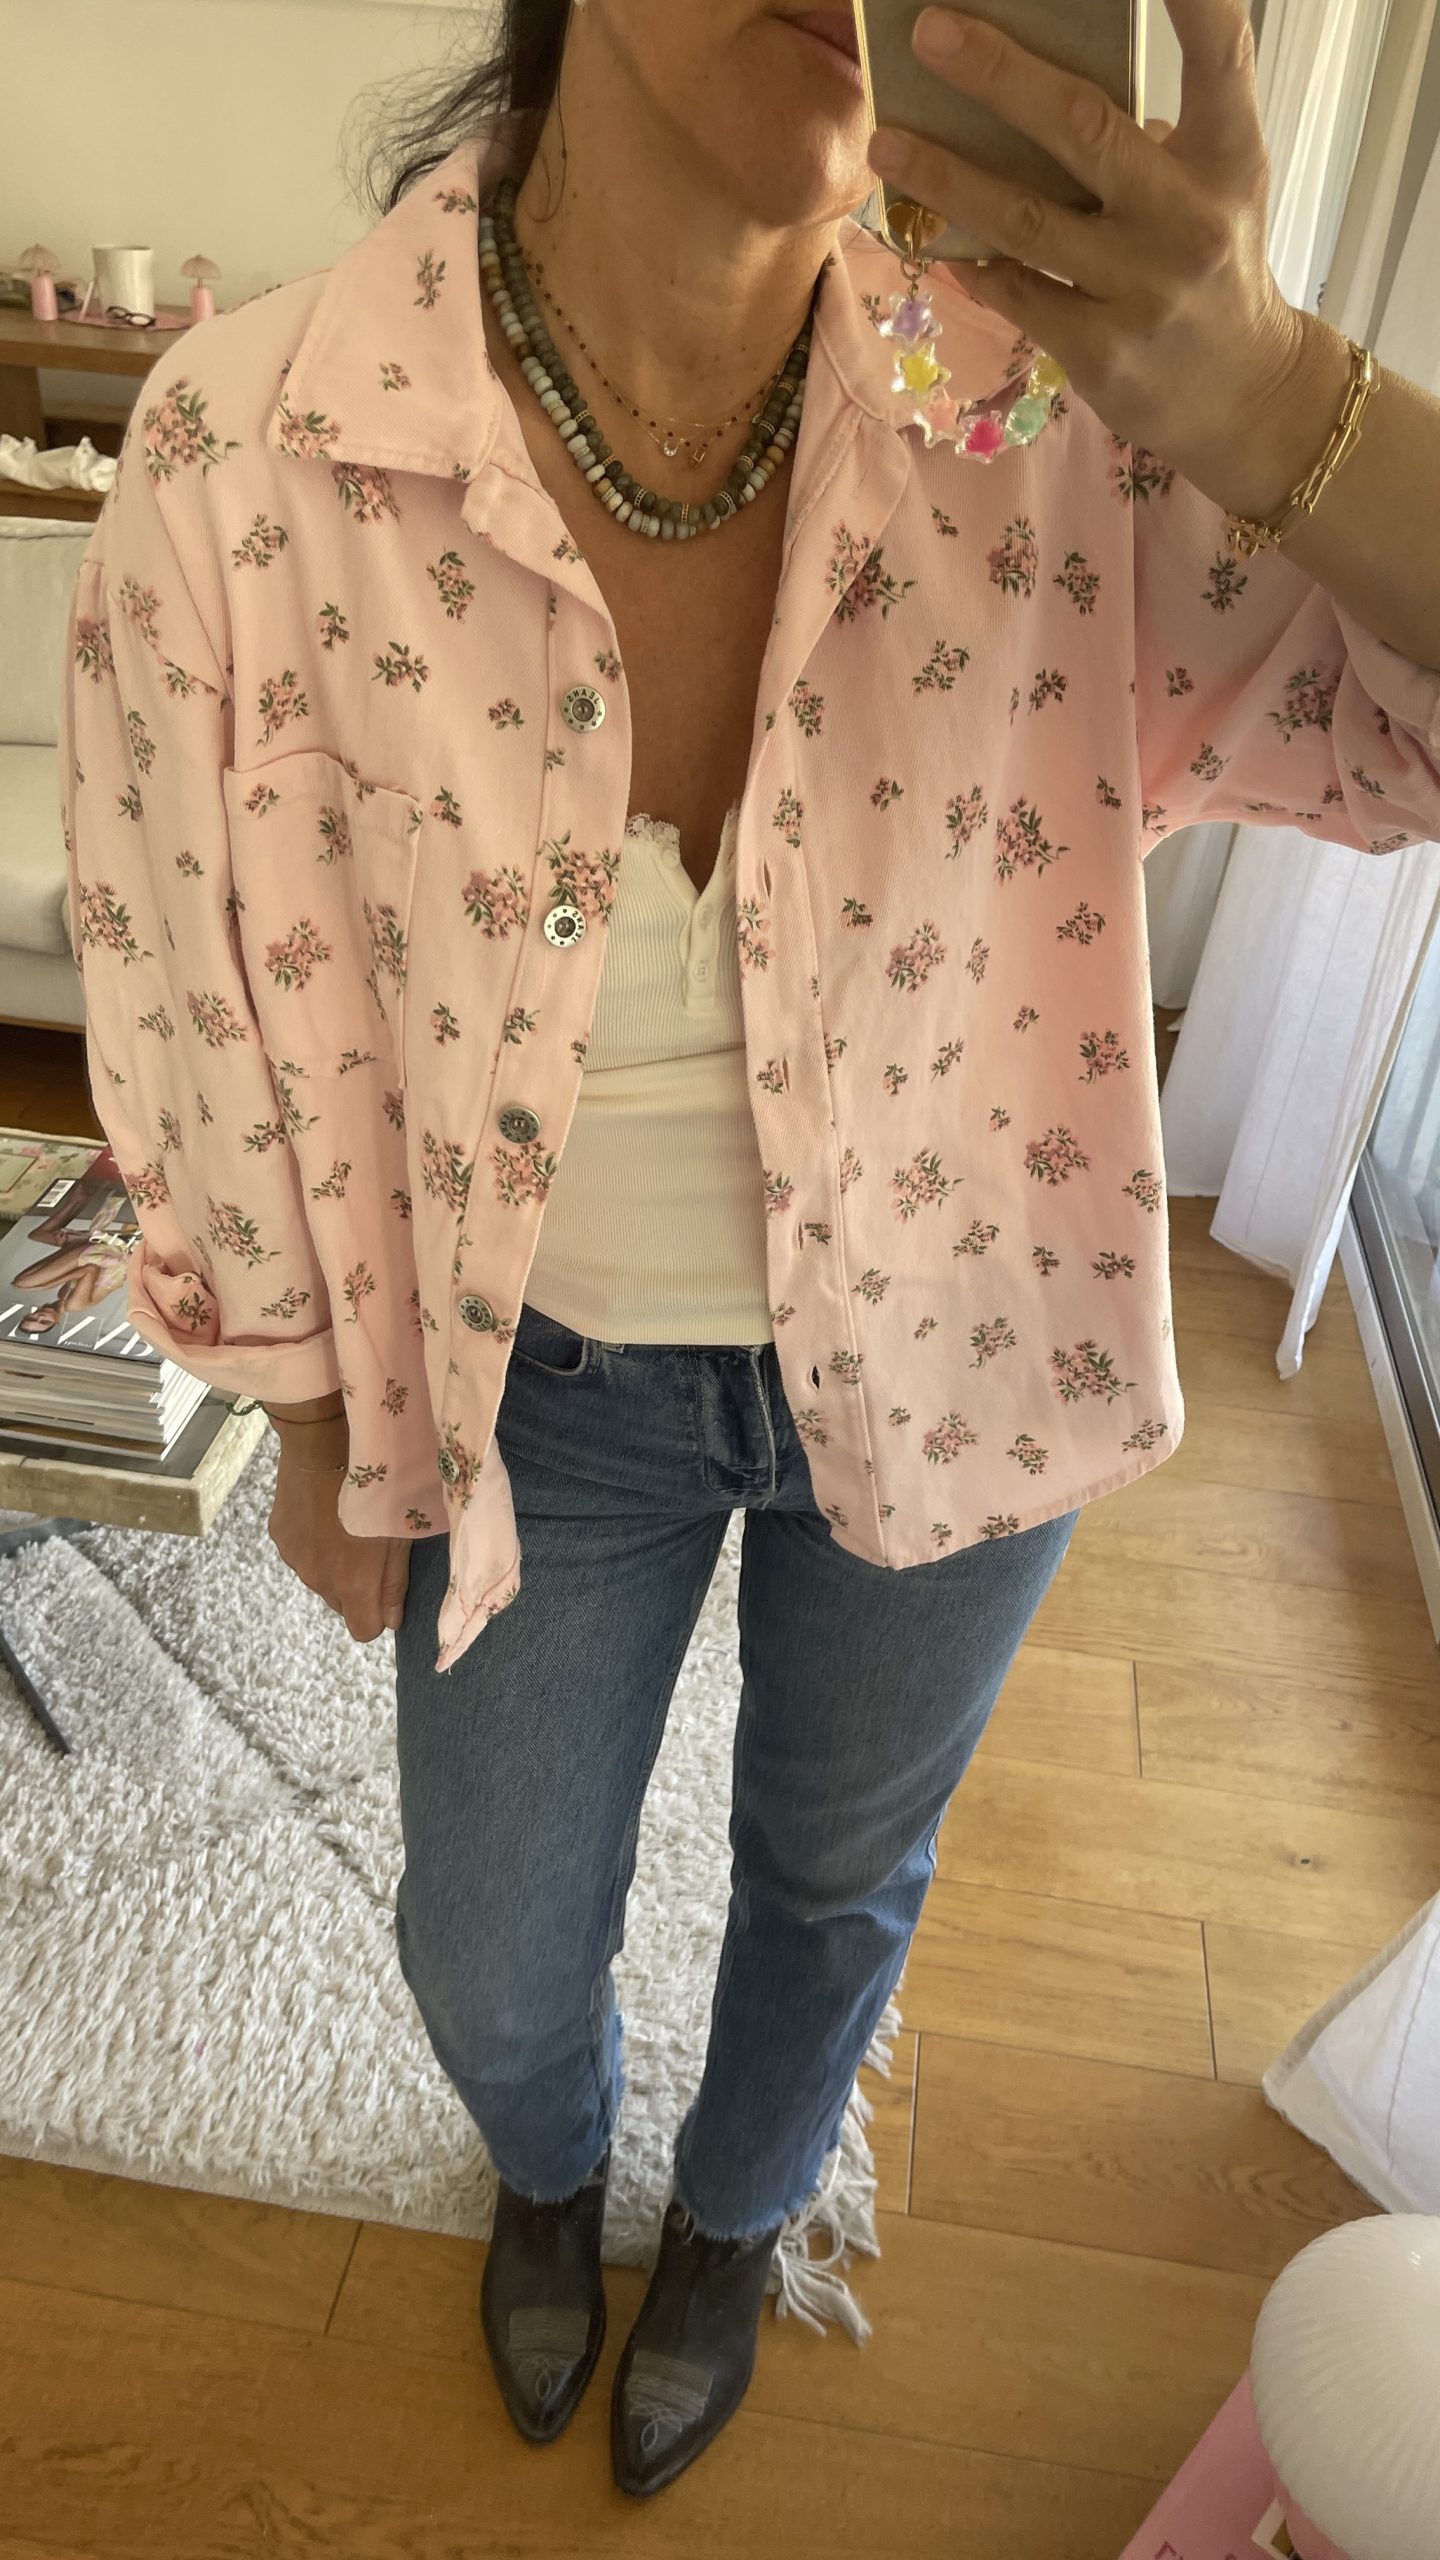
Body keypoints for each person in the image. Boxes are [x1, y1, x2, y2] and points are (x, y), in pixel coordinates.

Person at [60, 0, 1440, 2507]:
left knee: (834, 1871)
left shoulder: (1062, 418)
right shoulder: (249, 452)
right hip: (533, 1390)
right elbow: (176, 979)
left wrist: (1257, 385)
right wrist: (306, 1401)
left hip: (962, 1334)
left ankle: (736, 2210)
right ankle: (551, 2163)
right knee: (487, 1943)